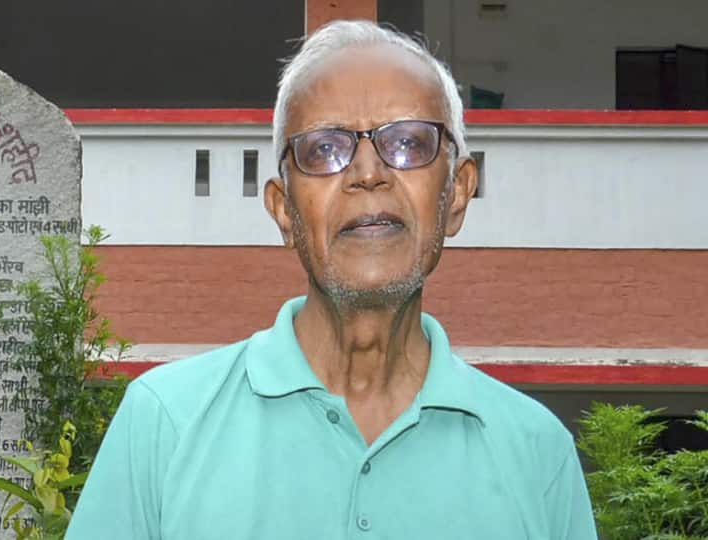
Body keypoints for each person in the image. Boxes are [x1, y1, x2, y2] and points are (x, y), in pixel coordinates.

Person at [66, 20, 598, 540]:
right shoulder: (164, 424)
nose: (368, 172)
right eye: (325, 149)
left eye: (410, 142)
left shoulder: (537, 455)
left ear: (456, 195)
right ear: (284, 210)